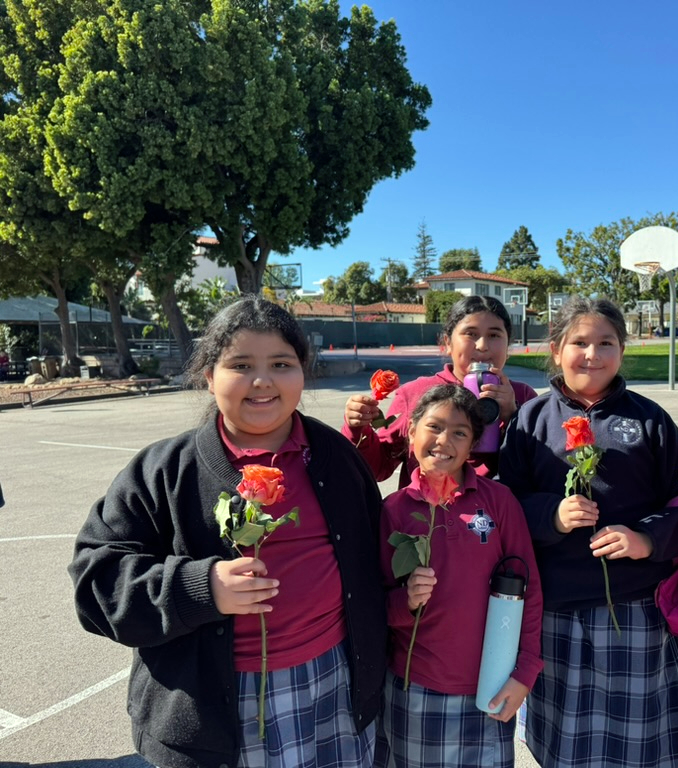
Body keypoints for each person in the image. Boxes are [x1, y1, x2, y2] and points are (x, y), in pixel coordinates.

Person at [68, 296, 386, 768]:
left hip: (335, 686)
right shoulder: (163, 471)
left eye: (281, 363)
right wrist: (200, 588)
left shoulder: (337, 458)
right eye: (240, 365)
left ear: (303, 372)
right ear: (208, 376)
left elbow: (377, 563)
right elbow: (95, 584)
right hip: (214, 712)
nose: (262, 380)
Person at [499, 296, 678, 768]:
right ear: (556, 350)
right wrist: (552, 515)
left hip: (635, 610)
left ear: (622, 350)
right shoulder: (530, 421)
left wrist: (647, 539)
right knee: (569, 748)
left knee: (641, 747)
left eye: (606, 343)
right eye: (579, 343)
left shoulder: (650, 419)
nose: (592, 354)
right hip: (557, 612)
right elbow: (506, 506)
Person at [379, 384, 543, 768]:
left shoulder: (498, 501)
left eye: (459, 432)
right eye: (434, 427)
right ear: (411, 431)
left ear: (473, 446)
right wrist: (406, 601)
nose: (444, 441)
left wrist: (525, 670)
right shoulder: (394, 510)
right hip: (416, 687)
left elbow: (529, 589)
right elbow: (378, 604)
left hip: (490, 685)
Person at [342, 295, 537, 487]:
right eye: (470, 334)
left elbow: (540, 468)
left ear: (508, 345)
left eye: (494, 335)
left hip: (501, 506)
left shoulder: (523, 397)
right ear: (448, 343)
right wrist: (358, 428)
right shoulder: (414, 393)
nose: (482, 346)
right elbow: (379, 467)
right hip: (426, 507)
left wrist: (514, 416)